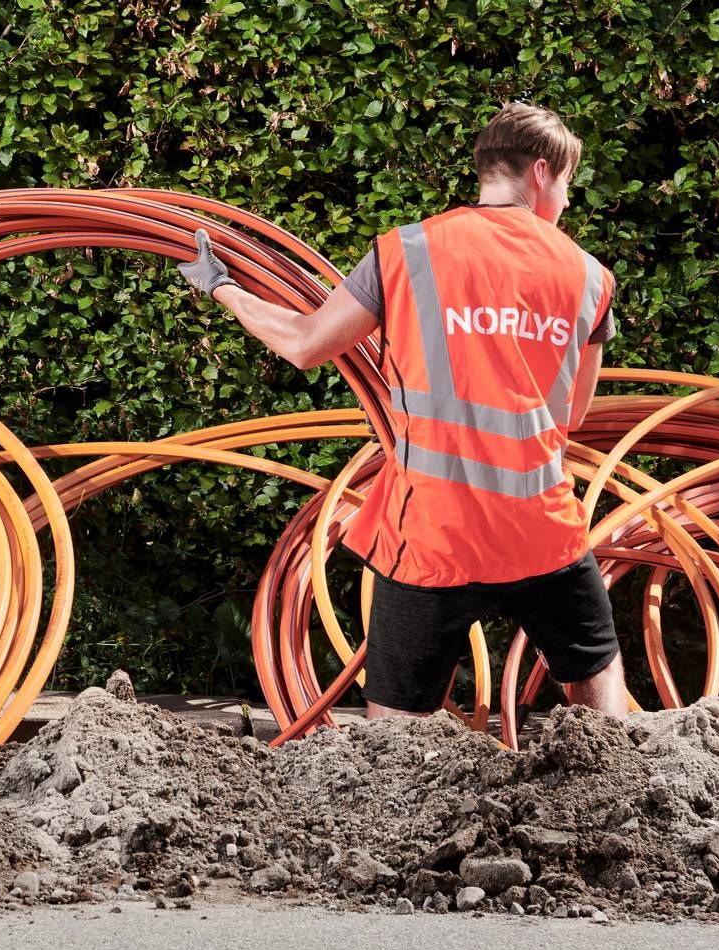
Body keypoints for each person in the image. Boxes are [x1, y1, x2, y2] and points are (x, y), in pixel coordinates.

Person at [178, 102, 628, 720]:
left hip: (434, 531)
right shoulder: (588, 277)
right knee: (598, 681)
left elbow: (306, 345)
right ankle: (606, 795)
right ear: (543, 172)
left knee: (392, 745)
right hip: (541, 528)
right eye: (570, 186)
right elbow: (573, 413)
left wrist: (222, 286)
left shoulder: (409, 251)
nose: (569, 204)